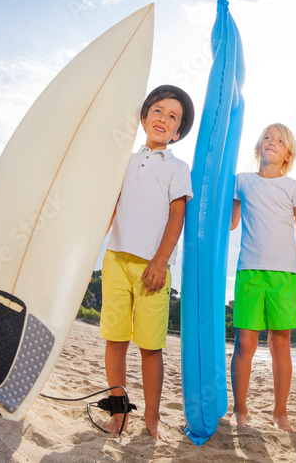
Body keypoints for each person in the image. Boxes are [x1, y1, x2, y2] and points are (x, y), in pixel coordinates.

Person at [100, 85, 194, 440]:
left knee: (151, 347)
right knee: (115, 340)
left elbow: (176, 215)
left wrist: (160, 261)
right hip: (115, 259)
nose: (163, 119)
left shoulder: (176, 168)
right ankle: (120, 412)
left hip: (152, 267)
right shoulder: (126, 158)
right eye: (157, 111)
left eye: (172, 117)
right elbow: (111, 204)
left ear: (178, 131)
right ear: (143, 117)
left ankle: (152, 418)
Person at [229, 123, 296, 432]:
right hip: (249, 270)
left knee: (280, 344)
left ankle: (280, 413)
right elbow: (232, 223)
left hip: (286, 275)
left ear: (288, 154)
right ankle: (240, 409)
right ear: (258, 147)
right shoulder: (242, 182)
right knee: (245, 343)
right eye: (267, 137)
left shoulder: (294, 187)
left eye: (280, 140)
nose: (272, 142)